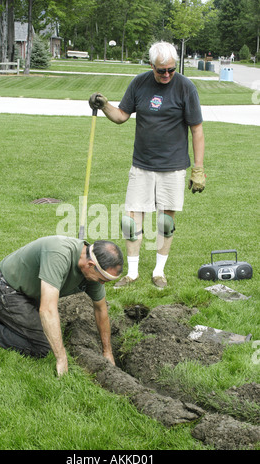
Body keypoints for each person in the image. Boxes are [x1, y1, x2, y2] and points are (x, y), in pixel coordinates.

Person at [89, 41, 205, 289]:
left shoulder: (186, 88)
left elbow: (197, 130)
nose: (166, 75)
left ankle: (159, 272)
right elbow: (121, 116)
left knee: (166, 222)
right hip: (142, 164)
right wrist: (104, 105)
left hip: (173, 166)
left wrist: (198, 168)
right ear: (151, 65)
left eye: (171, 70)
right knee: (131, 221)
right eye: (161, 70)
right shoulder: (140, 83)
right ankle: (132, 274)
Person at [0, 236, 123, 376]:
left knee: (43, 335)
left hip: (26, 295)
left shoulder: (91, 272)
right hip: (3, 287)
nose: (102, 284)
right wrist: (61, 358)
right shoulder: (59, 255)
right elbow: (47, 309)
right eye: (102, 279)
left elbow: (101, 310)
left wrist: (107, 351)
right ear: (90, 265)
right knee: (42, 347)